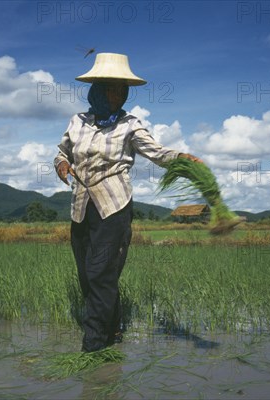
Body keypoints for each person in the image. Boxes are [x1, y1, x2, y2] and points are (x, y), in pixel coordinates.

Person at [54, 53, 202, 352]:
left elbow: (157, 152)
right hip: (81, 207)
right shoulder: (78, 121)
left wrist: (182, 159)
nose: (118, 95)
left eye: (123, 90)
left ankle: (94, 347)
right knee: (88, 275)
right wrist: (61, 164)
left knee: (100, 272)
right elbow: (62, 151)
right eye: (111, 88)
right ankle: (113, 331)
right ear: (96, 89)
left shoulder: (130, 125)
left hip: (114, 207)